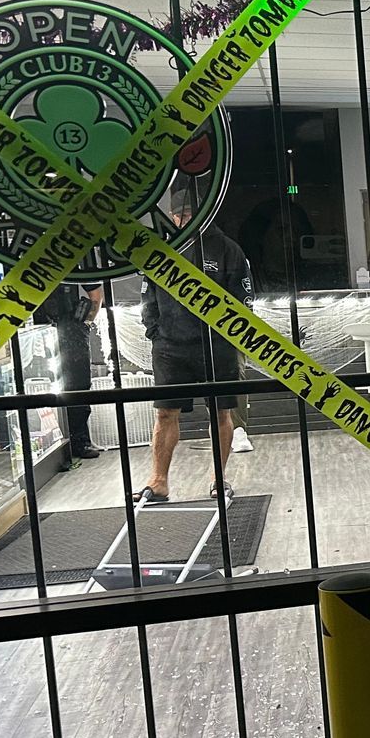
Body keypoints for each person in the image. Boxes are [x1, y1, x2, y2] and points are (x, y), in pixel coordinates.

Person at [137, 195, 252, 506]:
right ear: (173, 218)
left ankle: (218, 478)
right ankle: (159, 481)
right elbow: (148, 296)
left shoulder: (228, 249)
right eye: (181, 215)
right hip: (171, 346)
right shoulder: (161, 252)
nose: (185, 220)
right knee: (164, 413)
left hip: (217, 346)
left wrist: (228, 336)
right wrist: (155, 332)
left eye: (190, 214)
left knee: (221, 411)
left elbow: (243, 297)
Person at [37, 282, 102, 463]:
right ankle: (71, 441)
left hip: (69, 327)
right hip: (45, 328)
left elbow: (96, 294)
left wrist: (84, 324)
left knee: (78, 385)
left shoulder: (73, 257)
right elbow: (96, 295)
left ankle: (79, 440)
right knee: (62, 385)